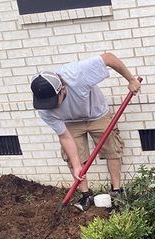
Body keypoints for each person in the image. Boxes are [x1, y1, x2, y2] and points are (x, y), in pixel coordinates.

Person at [30, 53, 141, 211]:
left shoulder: (77, 74)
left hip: (97, 114)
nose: (51, 107)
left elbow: (108, 58)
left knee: (112, 149)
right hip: (70, 123)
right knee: (74, 159)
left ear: (62, 89)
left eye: (54, 102)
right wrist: (76, 165)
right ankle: (85, 195)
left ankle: (117, 191)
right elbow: (64, 137)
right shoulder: (44, 108)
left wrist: (131, 80)